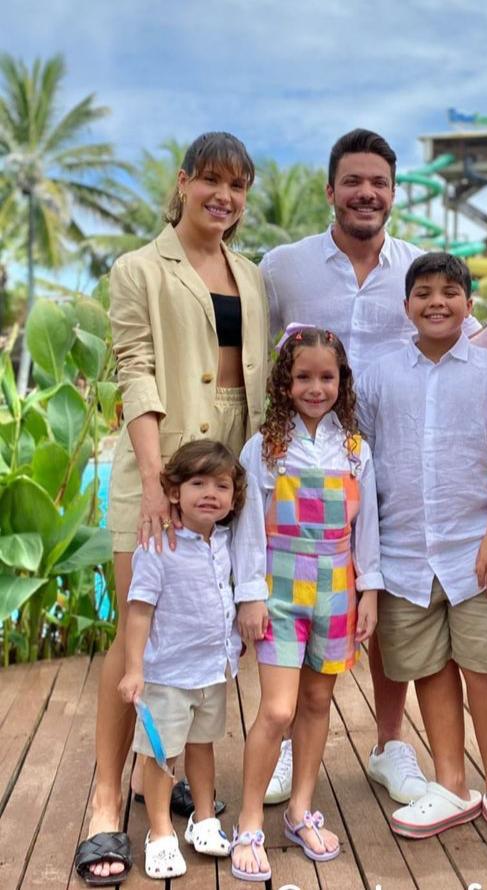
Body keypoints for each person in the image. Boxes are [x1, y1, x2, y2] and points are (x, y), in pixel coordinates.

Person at [259, 128, 479, 806]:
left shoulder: (420, 273)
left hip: (395, 468)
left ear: (393, 192)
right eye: (353, 181)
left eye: (379, 183)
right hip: (300, 471)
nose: (366, 193)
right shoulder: (282, 266)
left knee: (387, 608)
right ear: (330, 191)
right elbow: (247, 356)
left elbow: (471, 352)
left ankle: (388, 746)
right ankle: (288, 743)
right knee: (289, 603)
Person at [73, 132, 269, 886]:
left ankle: (187, 776)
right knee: (137, 635)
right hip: (158, 460)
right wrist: (155, 479)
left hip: (229, 466)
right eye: (211, 181)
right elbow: (137, 369)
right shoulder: (137, 268)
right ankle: (103, 799)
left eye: (238, 186)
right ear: (183, 183)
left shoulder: (250, 275)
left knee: (205, 624)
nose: (225, 196)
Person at [357, 253, 487, 848]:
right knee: (429, 667)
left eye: (449, 292)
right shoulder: (378, 375)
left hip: (477, 552)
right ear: (406, 304)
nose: (437, 302)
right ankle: (450, 782)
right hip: (403, 553)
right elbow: (358, 456)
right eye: (423, 293)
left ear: (469, 302)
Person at [229, 326, 381, 880]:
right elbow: (247, 530)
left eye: (327, 377)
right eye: (303, 377)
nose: (315, 388)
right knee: (277, 710)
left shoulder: (355, 449)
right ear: (284, 382)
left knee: (318, 705)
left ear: (341, 382)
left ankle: (298, 809)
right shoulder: (265, 448)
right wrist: (249, 595)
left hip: (338, 588)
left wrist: (370, 592)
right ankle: (249, 820)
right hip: (281, 590)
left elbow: (369, 529)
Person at [117, 441, 247, 878]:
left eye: (221, 485)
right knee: (159, 756)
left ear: (233, 496)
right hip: (168, 674)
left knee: (203, 746)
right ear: (174, 492)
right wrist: (134, 668)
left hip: (212, 671)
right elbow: (139, 611)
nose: (210, 492)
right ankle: (159, 833)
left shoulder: (226, 542)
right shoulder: (159, 546)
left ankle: (204, 818)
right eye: (198, 483)